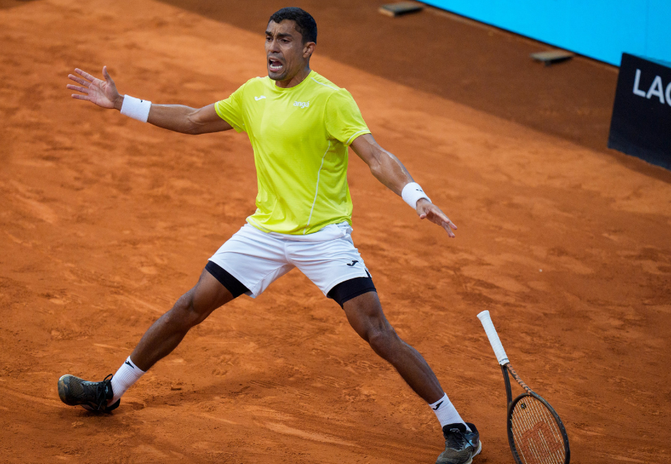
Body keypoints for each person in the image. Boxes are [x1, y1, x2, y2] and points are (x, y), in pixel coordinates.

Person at [58, 7, 480, 464]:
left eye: (283, 40)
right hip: (264, 231)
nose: (272, 48)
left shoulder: (331, 99)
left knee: (376, 331)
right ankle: (109, 391)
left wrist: (416, 196)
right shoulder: (253, 94)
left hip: (322, 237)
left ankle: (458, 428)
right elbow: (194, 120)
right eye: (268, 37)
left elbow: (375, 155)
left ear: (307, 49)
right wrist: (123, 103)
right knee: (190, 306)